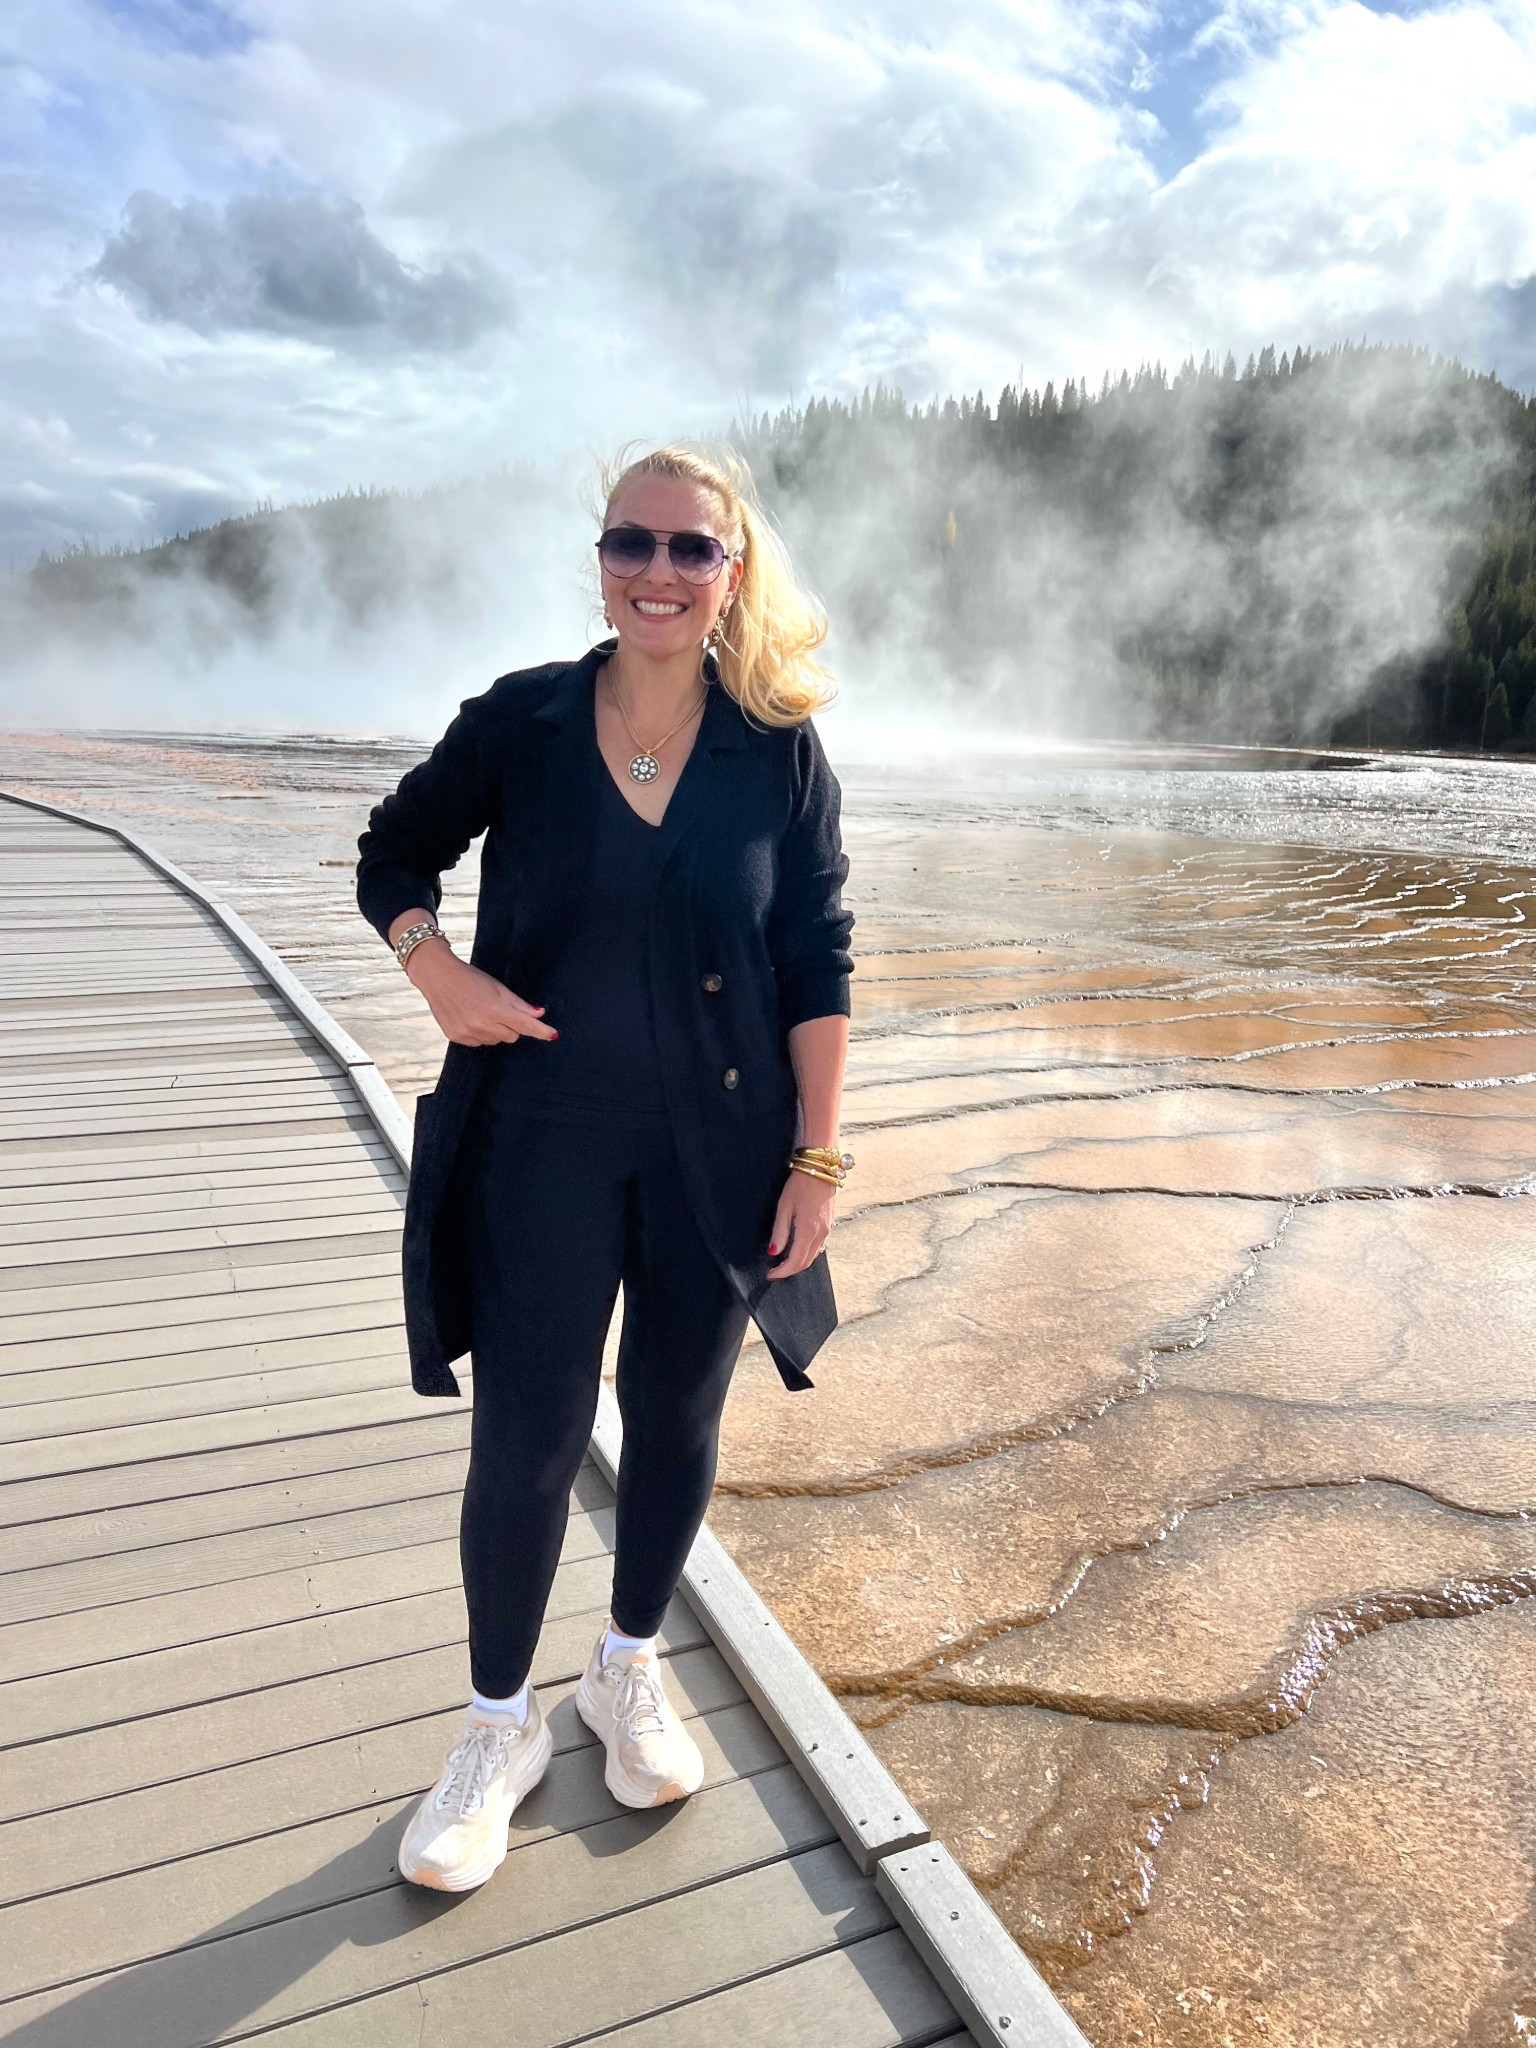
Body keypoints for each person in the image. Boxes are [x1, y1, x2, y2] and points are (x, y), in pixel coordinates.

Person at [355, 444, 855, 1892]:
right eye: (631, 542)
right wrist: (436, 972)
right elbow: (395, 855)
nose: (658, 570)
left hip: (722, 1153)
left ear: (732, 573)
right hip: (540, 1143)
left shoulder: (779, 749)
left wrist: (818, 1156)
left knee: (678, 1415)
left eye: (691, 549)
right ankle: (497, 1727)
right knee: (524, 1433)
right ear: (601, 558)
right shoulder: (520, 723)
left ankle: (624, 1667)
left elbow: (817, 953)